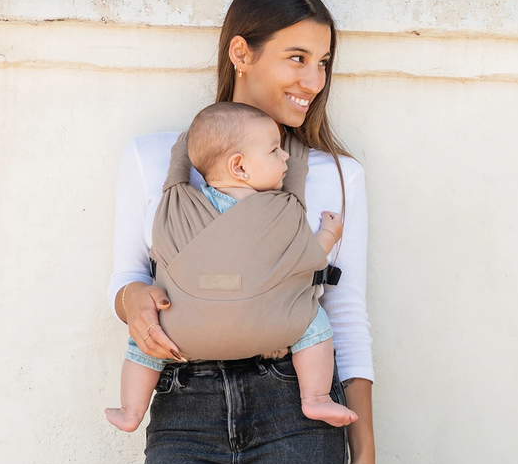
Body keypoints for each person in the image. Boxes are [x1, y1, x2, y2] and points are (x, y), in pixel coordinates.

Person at [108, 0, 379, 464]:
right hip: (186, 409)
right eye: (297, 58)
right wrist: (134, 302)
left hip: (295, 412)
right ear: (240, 53)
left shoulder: (336, 178)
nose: (314, 81)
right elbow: (127, 277)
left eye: (324, 63)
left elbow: (344, 315)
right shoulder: (152, 160)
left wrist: (364, 456)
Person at [105, 101, 358, 432]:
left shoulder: (180, 202)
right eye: (275, 151)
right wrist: (329, 232)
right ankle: (316, 397)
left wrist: (184, 145)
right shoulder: (279, 210)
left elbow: (175, 177)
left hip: (182, 332)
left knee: (144, 341)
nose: (284, 158)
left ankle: (131, 410)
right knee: (313, 321)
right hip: (275, 328)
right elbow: (308, 255)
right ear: (239, 167)